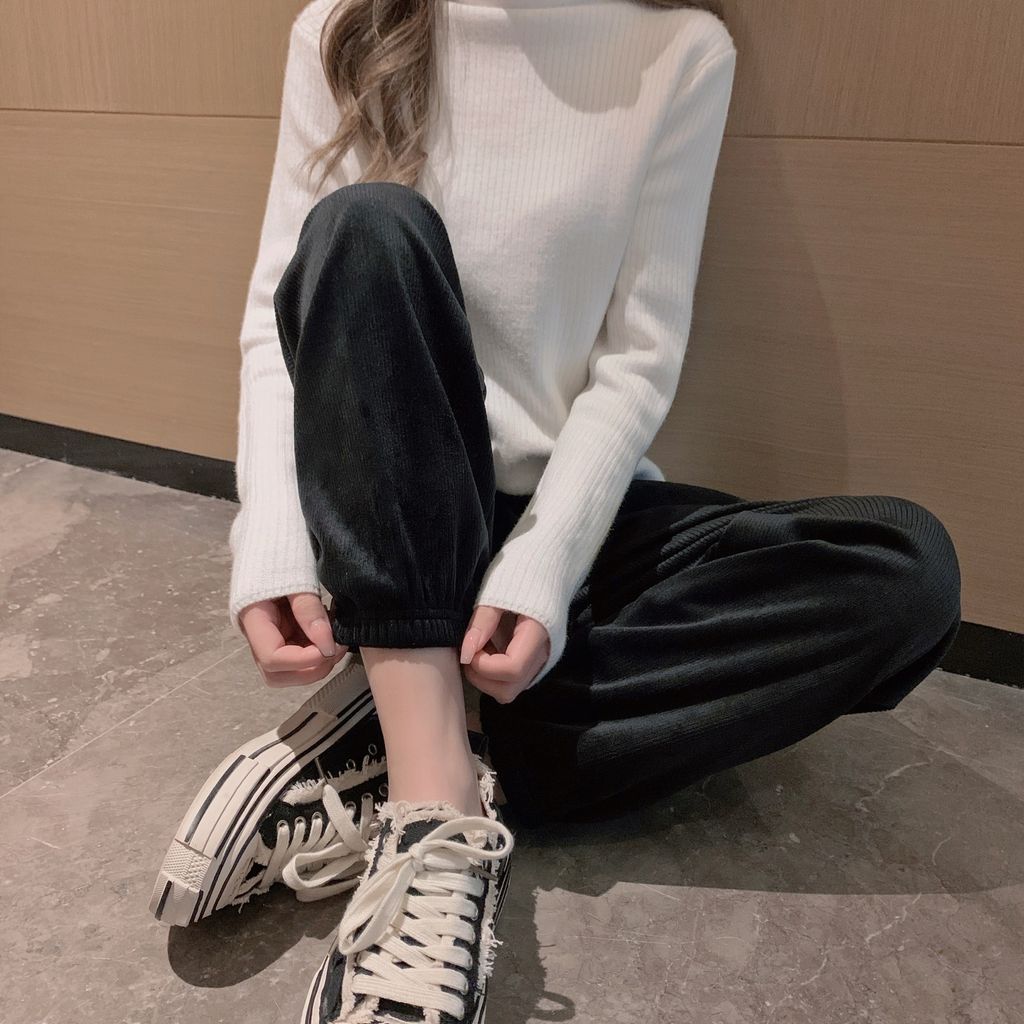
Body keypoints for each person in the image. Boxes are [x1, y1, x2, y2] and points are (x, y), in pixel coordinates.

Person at [150, 1, 963, 1022]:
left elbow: (636, 360)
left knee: (902, 574)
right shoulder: (343, 27)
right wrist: (270, 536)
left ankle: (410, 725)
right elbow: (281, 319)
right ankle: (436, 810)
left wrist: (545, 564)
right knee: (366, 225)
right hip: (388, 503)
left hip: (554, 516)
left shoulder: (679, 51)